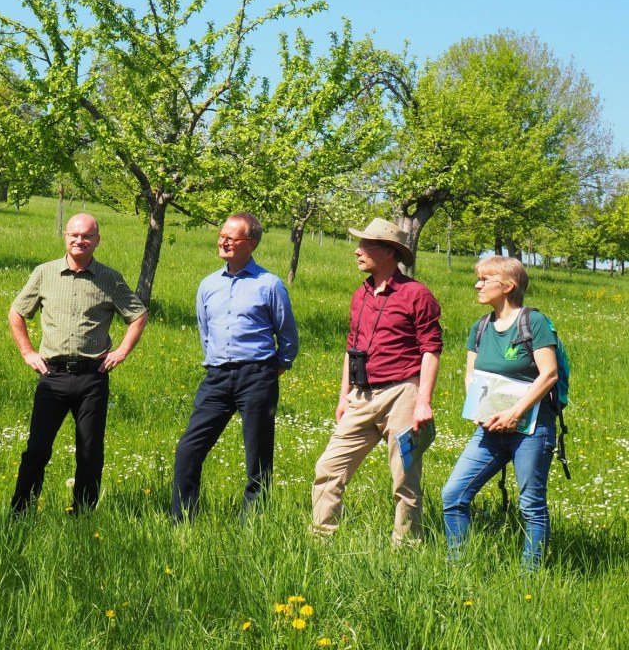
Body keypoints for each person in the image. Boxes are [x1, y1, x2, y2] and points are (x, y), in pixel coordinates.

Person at [311, 218, 442, 544]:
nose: (357, 251)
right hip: (361, 397)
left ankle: (407, 550)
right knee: (327, 470)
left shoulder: (417, 295)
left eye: (365, 246)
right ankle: (320, 543)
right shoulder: (361, 294)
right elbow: (351, 348)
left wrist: (423, 401)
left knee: (405, 480)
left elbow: (431, 350)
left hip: (402, 396)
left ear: (388, 252)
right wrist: (343, 397)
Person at [9, 213, 148, 516]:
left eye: (87, 236)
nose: (79, 240)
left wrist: (122, 351)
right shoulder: (44, 273)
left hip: (92, 377)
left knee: (89, 452)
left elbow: (138, 315)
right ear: (65, 236)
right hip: (52, 375)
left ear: (97, 240)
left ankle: (82, 514)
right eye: (74, 235)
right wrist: (28, 353)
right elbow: (17, 312)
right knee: (37, 450)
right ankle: (21, 511)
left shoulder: (110, 278)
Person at [171, 212, 299, 522]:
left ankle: (252, 525)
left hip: (257, 376)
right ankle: (182, 522)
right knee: (188, 450)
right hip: (216, 377)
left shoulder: (269, 284)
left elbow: (288, 338)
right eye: (222, 234)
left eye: (233, 237)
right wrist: (215, 362)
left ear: (251, 244)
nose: (224, 240)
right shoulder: (208, 284)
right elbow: (205, 331)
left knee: (257, 456)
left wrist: (270, 371)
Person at [441, 257, 559, 569]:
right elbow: (471, 375)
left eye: (484, 279)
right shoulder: (480, 327)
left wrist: (515, 413)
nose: (477, 285)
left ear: (507, 286)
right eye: (477, 279)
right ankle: (457, 566)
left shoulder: (533, 322)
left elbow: (549, 375)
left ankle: (530, 576)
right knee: (453, 495)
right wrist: (479, 410)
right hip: (489, 429)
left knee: (531, 505)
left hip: (531, 430)